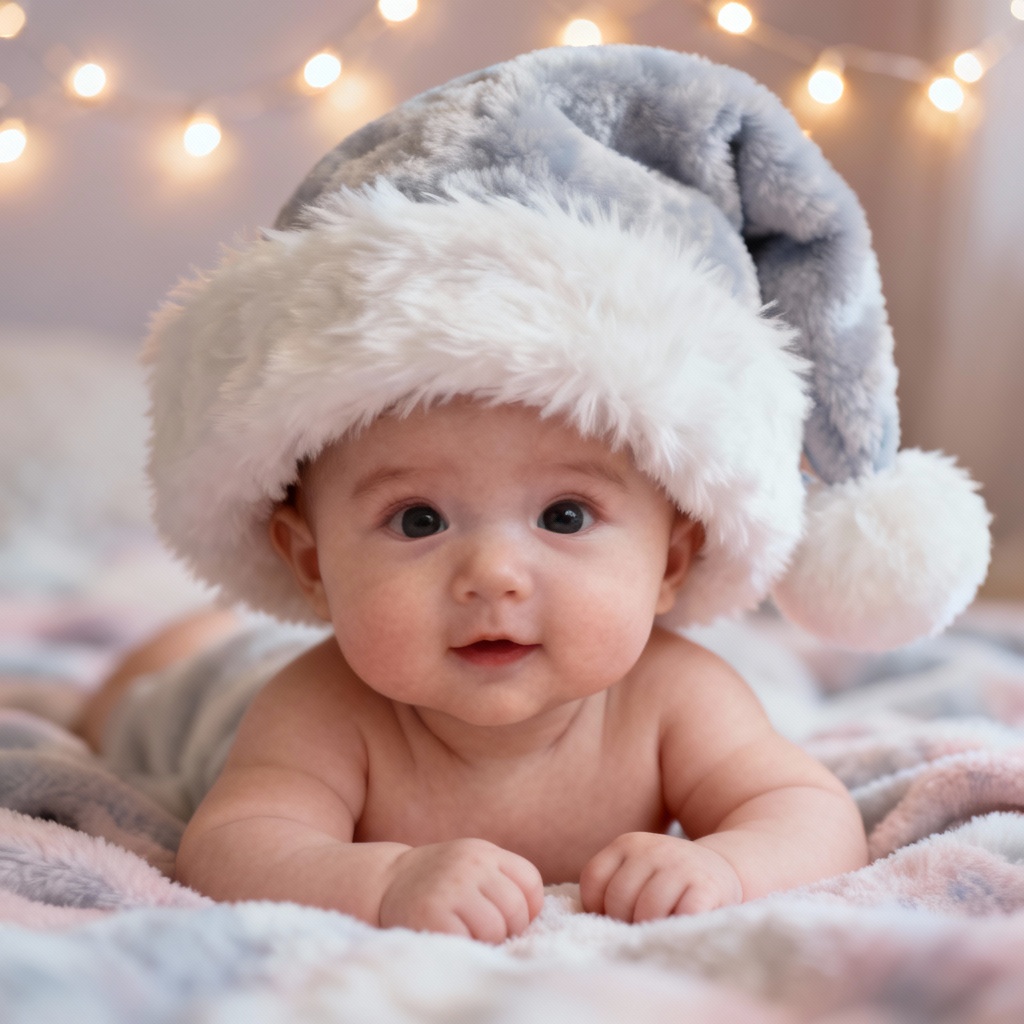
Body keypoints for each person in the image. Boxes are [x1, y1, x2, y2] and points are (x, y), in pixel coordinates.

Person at [81, 45, 991, 943]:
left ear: (670, 561)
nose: (493, 576)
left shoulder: (674, 696)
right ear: (311, 561)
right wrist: (385, 877)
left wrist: (726, 864)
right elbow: (234, 846)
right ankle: (155, 655)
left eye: (565, 516)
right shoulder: (321, 710)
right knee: (159, 684)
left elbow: (807, 812)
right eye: (417, 520)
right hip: (213, 698)